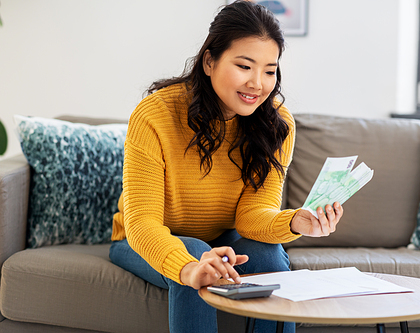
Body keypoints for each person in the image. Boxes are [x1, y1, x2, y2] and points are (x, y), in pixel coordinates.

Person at [109, 1, 343, 332]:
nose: (258, 84)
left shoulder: (277, 124)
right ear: (209, 61)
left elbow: (252, 217)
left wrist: (295, 221)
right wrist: (189, 268)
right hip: (143, 239)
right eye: (245, 66)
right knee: (198, 257)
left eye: (269, 70)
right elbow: (142, 222)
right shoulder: (155, 115)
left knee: (270, 258)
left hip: (228, 235)